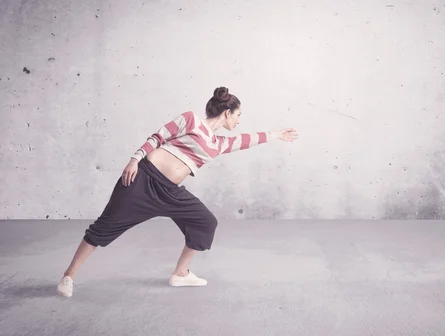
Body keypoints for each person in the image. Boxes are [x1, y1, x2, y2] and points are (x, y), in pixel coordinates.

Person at [57, 86, 299, 297]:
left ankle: (181, 273)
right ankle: (68, 276)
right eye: (238, 115)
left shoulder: (218, 143)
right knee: (103, 228)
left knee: (205, 222)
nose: (238, 121)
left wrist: (276, 135)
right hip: (142, 179)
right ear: (227, 113)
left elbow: (246, 140)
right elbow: (158, 137)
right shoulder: (191, 119)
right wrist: (134, 159)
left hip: (169, 192)